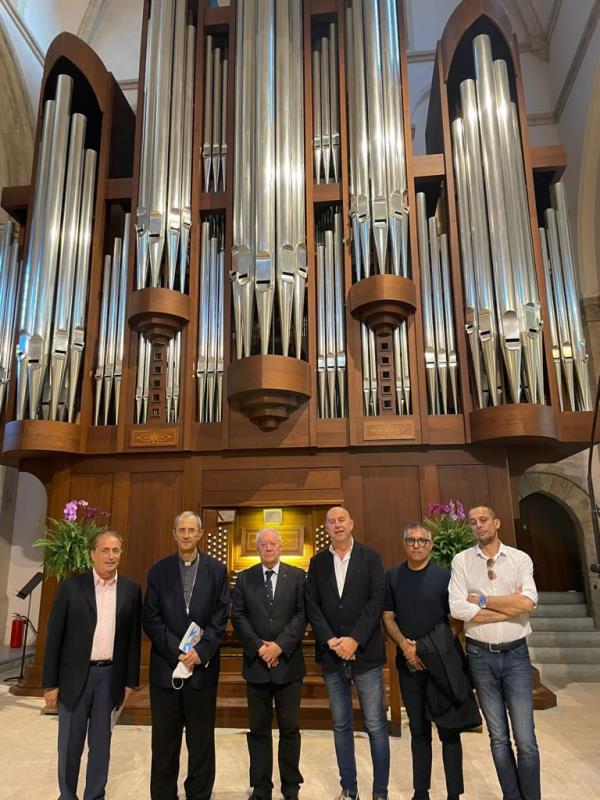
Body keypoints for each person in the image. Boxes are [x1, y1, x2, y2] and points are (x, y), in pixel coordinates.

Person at [449, 505, 540, 800]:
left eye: (484, 520)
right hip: (480, 657)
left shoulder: (519, 559)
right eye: (473, 522)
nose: (479, 526)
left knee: (525, 740)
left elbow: (528, 604)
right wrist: (507, 609)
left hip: (516, 655)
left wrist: (484, 600)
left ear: (496, 523)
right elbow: (459, 609)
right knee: (498, 737)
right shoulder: (461, 561)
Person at [42, 530, 142, 800]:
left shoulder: (132, 590)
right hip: (76, 677)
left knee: (101, 745)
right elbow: (54, 638)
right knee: (70, 745)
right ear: (92, 554)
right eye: (105, 550)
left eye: (116, 551)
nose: (111, 556)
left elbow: (133, 639)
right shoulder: (72, 587)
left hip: (110, 678)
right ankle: (68, 795)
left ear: (121, 553)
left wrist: (130, 681)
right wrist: (50, 684)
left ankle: (95, 795)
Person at [142, 511, 229, 800]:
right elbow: (151, 619)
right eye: (182, 530)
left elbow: (220, 619)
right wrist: (179, 652)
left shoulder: (217, 571)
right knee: (164, 741)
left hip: (202, 672)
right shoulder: (159, 571)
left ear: (201, 534)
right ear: (174, 534)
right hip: (166, 668)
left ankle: (199, 795)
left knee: (201, 741)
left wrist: (199, 653)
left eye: (192, 530)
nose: (187, 535)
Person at [306, 506, 389, 800]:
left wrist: (354, 640)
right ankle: (349, 788)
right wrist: (330, 640)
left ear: (351, 524)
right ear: (326, 528)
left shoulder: (371, 557)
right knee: (340, 725)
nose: (337, 525)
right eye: (332, 522)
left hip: (365, 654)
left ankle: (380, 791)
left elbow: (375, 601)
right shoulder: (317, 563)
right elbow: (312, 605)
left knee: (376, 725)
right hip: (331, 656)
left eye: (342, 520)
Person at [383, 522, 468, 800]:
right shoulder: (393, 576)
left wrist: (427, 649)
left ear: (430, 545)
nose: (416, 545)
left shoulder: (445, 577)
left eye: (422, 540)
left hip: (442, 665)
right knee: (419, 731)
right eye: (411, 540)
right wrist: (407, 648)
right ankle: (421, 792)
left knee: (449, 732)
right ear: (404, 543)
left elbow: (455, 620)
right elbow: (387, 617)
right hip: (409, 665)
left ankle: (454, 794)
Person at [231, 527, 307, 800]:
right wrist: (260, 647)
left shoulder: (297, 576)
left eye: (273, 543)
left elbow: (301, 615)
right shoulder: (244, 578)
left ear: (281, 546)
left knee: (290, 728)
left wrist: (279, 646)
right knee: (259, 730)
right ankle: (261, 787)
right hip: (257, 665)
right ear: (257, 548)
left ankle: (290, 786)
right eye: (263, 544)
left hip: (288, 665)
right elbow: (238, 616)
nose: (269, 547)